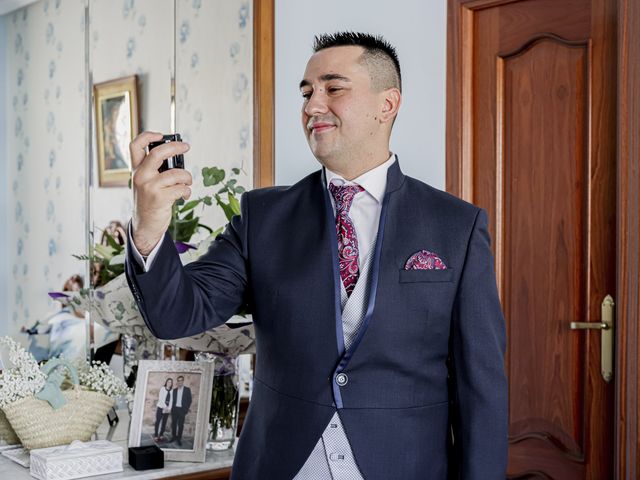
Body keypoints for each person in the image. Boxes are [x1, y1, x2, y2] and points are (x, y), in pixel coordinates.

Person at [125, 32, 507, 479]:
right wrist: (150, 224)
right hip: (280, 463)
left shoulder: (455, 226)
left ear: (387, 104)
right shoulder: (261, 216)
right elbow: (176, 316)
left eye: (333, 88)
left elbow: (481, 388)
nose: (311, 106)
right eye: (306, 93)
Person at [170, 375, 192, 446]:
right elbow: (172, 401)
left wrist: (185, 409)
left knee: (180, 425)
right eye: (178, 381)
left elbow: (189, 400)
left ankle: (179, 439)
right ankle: (174, 437)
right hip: (175, 410)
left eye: (181, 380)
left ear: (183, 381)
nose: (179, 382)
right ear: (177, 382)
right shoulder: (174, 390)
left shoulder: (187, 389)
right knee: (173, 424)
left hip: (182, 410)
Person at [154, 377, 173, 442]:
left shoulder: (172, 391)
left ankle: (161, 434)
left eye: (170, 382)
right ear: (166, 382)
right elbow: (161, 398)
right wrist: (165, 407)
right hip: (161, 407)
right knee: (158, 421)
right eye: (168, 382)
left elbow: (171, 400)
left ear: (171, 384)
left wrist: (169, 408)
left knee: (164, 422)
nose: (169, 383)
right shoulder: (162, 389)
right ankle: (156, 435)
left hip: (167, 409)